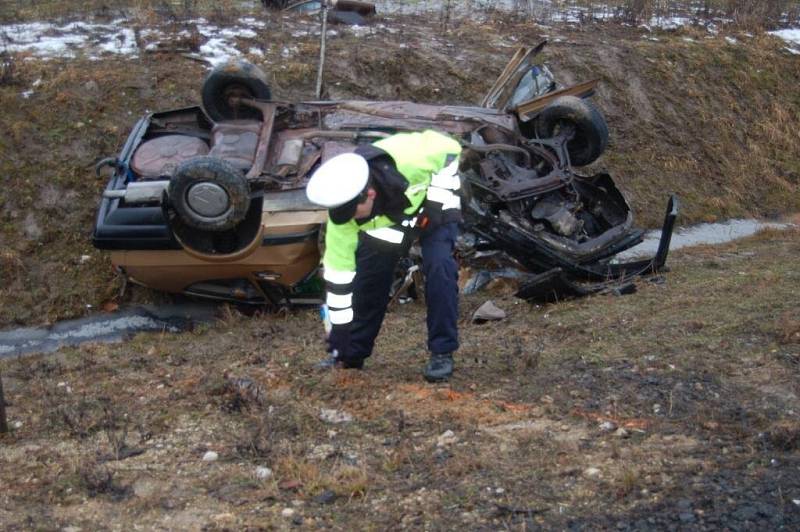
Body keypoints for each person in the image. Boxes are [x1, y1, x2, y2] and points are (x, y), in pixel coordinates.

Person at [305, 130, 463, 382]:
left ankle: (442, 352)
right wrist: (339, 337)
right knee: (368, 280)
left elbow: (450, 147)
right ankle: (351, 354)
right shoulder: (343, 220)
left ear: (369, 194)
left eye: (354, 214)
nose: (351, 221)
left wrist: (435, 200)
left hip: (435, 207)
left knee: (440, 269)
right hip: (391, 223)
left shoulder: (411, 159)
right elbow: (339, 284)